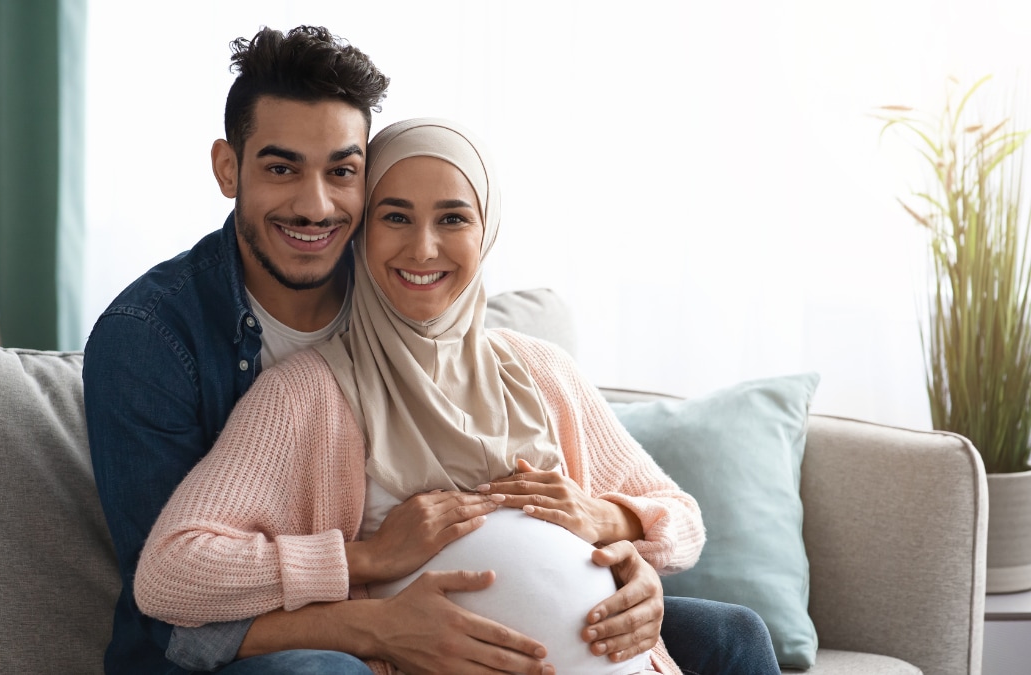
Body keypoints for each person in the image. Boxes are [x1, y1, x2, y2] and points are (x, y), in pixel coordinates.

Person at [86, 24, 779, 675]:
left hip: (525, 639)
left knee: (734, 634)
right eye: (282, 168)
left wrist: (623, 542)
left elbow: (672, 514)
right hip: (267, 649)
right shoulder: (165, 343)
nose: (316, 206)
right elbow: (173, 606)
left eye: (343, 172)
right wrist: (373, 598)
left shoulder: (491, 340)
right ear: (228, 167)